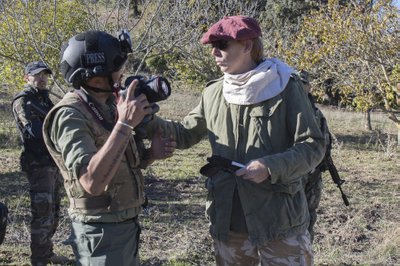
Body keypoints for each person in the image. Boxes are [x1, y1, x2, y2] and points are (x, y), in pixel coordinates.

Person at [146, 15, 325, 265]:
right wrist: (143, 120)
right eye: (212, 47)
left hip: (279, 218)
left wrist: (270, 167)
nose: (215, 53)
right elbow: (184, 134)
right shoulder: (213, 93)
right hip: (229, 219)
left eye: (222, 45)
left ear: (248, 45)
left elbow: (313, 146)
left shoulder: (285, 86)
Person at [42, 30, 176, 266]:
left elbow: (122, 161)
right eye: (117, 68)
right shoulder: (69, 116)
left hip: (123, 224)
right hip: (99, 232)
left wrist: (151, 155)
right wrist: (124, 124)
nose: (122, 74)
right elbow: (92, 182)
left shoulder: (108, 105)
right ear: (96, 77)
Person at [11, 61, 69, 266]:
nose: (42, 78)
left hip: (53, 161)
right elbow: (35, 131)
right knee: (42, 212)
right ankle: (38, 259)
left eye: (45, 74)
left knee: (54, 211)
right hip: (38, 163)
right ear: (27, 77)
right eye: (37, 75)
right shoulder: (24, 100)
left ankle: (47, 252)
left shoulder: (44, 99)